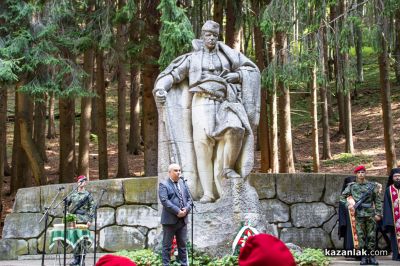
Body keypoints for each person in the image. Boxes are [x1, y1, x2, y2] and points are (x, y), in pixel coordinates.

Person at [154, 20, 260, 203]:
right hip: (201, 101)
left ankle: (227, 169)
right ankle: (208, 193)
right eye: (208, 35)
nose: (211, 38)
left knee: (236, 129)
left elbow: (252, 70)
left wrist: (237, 75)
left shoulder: (228, 55)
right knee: (203, 146)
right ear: (202, 37)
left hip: (225, 101)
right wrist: (161, 87)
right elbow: (173, 74)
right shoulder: (191, 58)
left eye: (215, 35)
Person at [340, 165, 382, 265]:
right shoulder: (351, 186)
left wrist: (378, 213)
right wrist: (348, 205)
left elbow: (378, 201)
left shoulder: (372, 186)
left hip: (370, 214)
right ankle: (363, 257)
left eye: (362, 172)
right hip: (358, 214)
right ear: (356, 174)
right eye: (359, 172)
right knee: (360, 236)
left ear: (365, 173)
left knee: (371, 236)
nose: (361, 174)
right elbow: (342, 197)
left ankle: (371, 257)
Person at [159, 164, 193, 266]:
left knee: (182, 246)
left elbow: (190, 200)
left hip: (182, 221)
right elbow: (165, 201)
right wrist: (178, 211)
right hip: (169, 221)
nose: (178, 172)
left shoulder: (183, 184)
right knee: (167, 247)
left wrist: (186, 209)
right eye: (175, 170)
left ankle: (184, 264)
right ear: (169, 172)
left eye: (179, 170)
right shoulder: (163, 184)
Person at [67, 175, 95, 266]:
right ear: (77, 182)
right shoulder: (72, 194)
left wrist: (90, 219)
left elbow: (92, 207)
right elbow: (66, 205)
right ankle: (76, 259)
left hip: (84, 219)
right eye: (80, 180)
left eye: (83, 181)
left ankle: (82, 259)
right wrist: (67, 214)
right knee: (75, 239)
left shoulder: (88, 195)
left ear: (86, 183)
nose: (82, 182)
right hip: (74, 220)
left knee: (83, 240)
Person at [383, 168, 400, 261]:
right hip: (395, 220)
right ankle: (397, 255)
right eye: (395, 176)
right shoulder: (388, 190)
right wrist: (389, 221)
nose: (397, 178)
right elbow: (386, 206)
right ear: (392, 178)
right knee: (395, 238)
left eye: (399, 176)